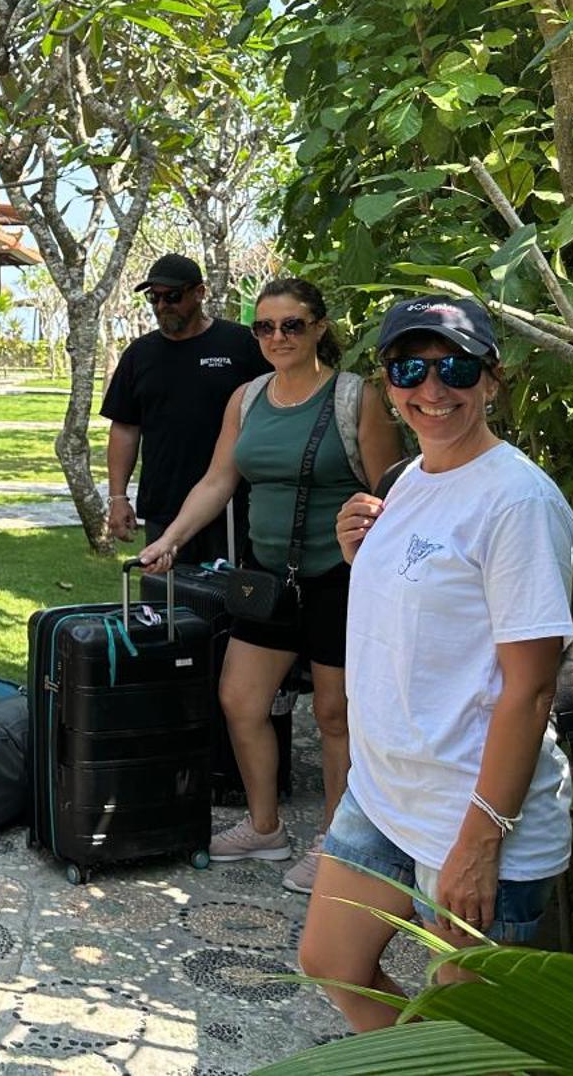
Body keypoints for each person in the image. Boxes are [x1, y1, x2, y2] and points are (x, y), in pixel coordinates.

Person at [301, 296, 573, 1032]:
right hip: (387, 793)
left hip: (473, 812)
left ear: (492, 379)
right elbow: (429, 616)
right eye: (409, 369)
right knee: (331, 961)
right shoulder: (411, 478)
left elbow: (532, 686)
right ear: (387, 383)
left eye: (454, 366)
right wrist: (367, 553)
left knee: (469, 1038)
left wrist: (480, 842)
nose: (432, 389)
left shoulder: (517, 501)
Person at [139, 278, 400, 894]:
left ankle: (339, 845)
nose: (277, 337)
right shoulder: (247, 399)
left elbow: (392, 488)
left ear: (319, 327)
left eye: (291, 325)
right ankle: (264, 828)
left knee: (336, 716)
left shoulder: (353, 397)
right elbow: (217, 480)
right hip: (267, 577)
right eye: (264, 327)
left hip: (343, 577)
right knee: (239, 700)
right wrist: (171, 538)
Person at [102, 253, 270, 563]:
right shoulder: (139, 355)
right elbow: (124, 428)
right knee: (166, 604)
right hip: (165, 504)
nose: (163, 305)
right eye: (155, 297)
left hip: (235, 505)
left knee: (230, 602)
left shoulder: (240, 344)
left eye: (173, 296)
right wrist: (118, 497)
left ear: (200, 293)